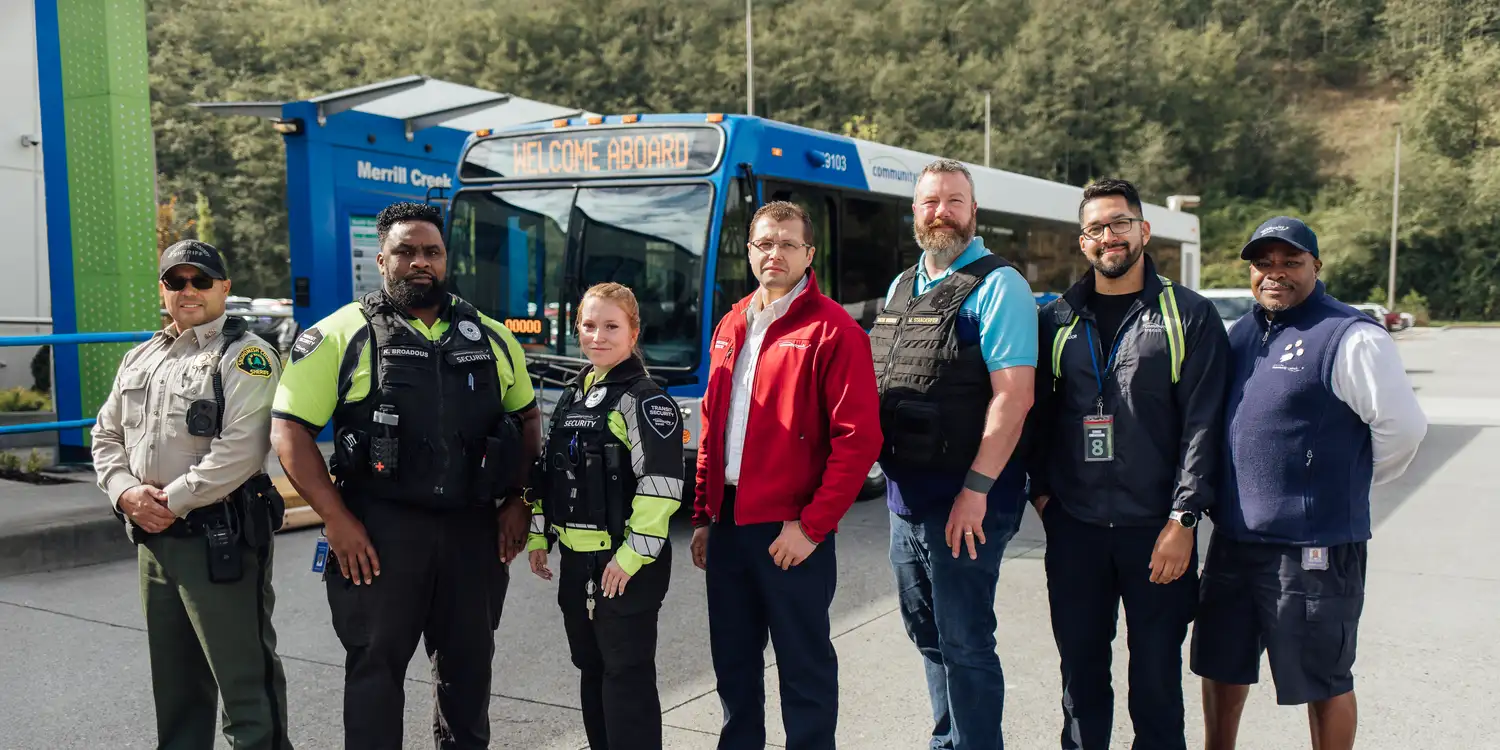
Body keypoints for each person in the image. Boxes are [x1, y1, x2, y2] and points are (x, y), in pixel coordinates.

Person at [270, 201, 541, 750]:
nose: (421, 262)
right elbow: (289, 433)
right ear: (382, 259)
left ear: (445, 259)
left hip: (472, 530)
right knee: (374, 670)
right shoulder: (342, 334)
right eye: (406, 251)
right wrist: (336, 519)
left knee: (469, 673)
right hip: (378, 532)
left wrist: (518, 498)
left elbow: (528, 418)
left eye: (432, 252)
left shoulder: (489, 335)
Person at [1191, 217, 1427, 750]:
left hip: (1314, 547)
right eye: (1263, 263)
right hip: (1234, 541)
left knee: (1323, 679)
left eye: (1290, 262)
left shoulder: (1352, 336)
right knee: (1223, 666)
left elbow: (1403, 429)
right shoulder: (1244, 333)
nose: (1275, 274)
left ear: (1316, 267)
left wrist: (1345, 485)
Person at [1027, 178, 1229, 750]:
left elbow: (1203, 426)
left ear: (1143, 230)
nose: (1108, 237)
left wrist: (1183, 520)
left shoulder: (1188, 315)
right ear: (1082, 241)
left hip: (1156, 533)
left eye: (1119, 223)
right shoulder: (1057, 318)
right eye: (1095, 228)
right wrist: (1045, 499)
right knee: (1081, 678)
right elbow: (1036, 417)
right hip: (1077, 531)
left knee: (1156, 683)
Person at [690, 201, 882, 750]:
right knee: (733, 667)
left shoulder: (835, 331)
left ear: (809, 253)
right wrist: (704, 515)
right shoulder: (730, 324)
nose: (774, 253)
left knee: (804, 671)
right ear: (749, 251)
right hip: (728, 528)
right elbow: (711, 429)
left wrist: (812, 527)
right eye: (764, 243)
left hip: (790, 534)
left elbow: (859, 440)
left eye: (787, 244)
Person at [92, 239, 291, 749]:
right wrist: (125, 494)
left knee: (245, 685)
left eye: (201, 280)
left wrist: (167, 502)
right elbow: (106, 435)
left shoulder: (245, 355)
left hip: (217, 539)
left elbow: (241, 452)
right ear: (163, 291)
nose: (188, 291)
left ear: (224, 288)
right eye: (175, 281)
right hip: (154, 542)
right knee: (177, 691)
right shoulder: (142, 357)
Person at [869, 159, 1036, 750]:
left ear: (973, 211)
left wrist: (976, 492)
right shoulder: (901, 285)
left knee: (964, 639)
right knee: (927, 633)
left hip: (967, 501)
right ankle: (951, 741)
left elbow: (1013, 398)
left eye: (954, 201)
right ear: (914, 211)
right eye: (930, 201)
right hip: (904, 498)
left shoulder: (999, 285)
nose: (941, 212)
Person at [526, 282, 684, 750]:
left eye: (611, 326)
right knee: (591, 671)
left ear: (634, 332)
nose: (598, 336)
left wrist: (629, 559)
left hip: (623, 567)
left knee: (626, 678)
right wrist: (539, 538)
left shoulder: (645, 399)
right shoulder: (575, 393)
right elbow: (548, 475)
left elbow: (661, 489)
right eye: (589, 326)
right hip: (577, 567)